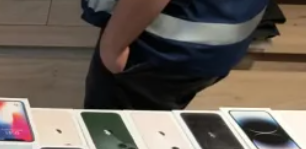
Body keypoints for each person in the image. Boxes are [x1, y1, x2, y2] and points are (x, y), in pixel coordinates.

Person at [82, 0, 269, 110]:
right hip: (210, 46)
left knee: (117, 138)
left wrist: (113, 45)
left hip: (155, 51)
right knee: (149, 132)